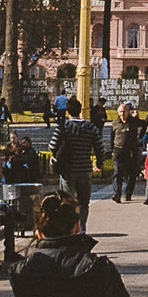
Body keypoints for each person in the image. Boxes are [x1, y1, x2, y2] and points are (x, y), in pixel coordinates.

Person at [51, 97, 105, 231]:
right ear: (80, 111)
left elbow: (52, 146)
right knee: (83, 202)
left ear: (67, 111)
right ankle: (82, 227)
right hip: (85, 168)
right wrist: (99, 162)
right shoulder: (90, 127)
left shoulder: (63, 127)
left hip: (67, 170)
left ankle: (69, 228)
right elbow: (99, 147)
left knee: (67, 201)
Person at [109, 102, 145, 203]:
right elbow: (112, 137)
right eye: (120, 112)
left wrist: (140, 138)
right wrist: (112, 149)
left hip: (130, 150)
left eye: (124, 112)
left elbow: (144, 124)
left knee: (131, 173)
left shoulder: (133, 121)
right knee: (117, 172)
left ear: (128, 112)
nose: (122, 114)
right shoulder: (115, 123)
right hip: (118, 150)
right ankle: (117, 193)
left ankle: (128, 193)